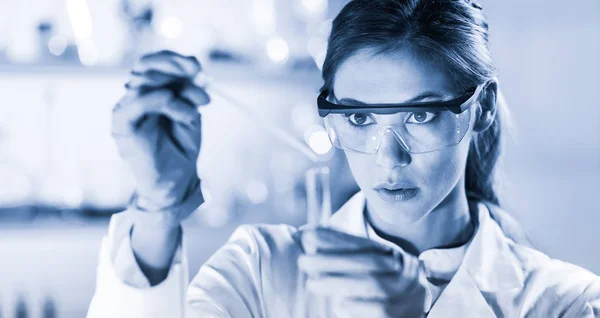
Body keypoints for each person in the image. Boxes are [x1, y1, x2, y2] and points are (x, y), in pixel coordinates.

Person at [87, 0, 600, 317]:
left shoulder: (568, 302)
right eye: (359, 119)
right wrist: (157, 204)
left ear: (481, 109)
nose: (389, 156)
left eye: (420, 117)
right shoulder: (260, 270)